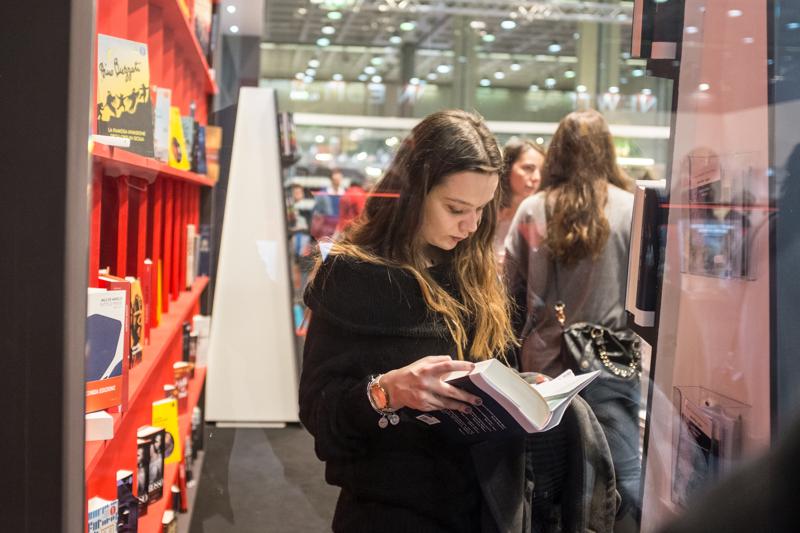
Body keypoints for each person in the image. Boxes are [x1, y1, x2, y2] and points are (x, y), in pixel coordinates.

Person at [300, 110, 618, 533]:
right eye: (455, 208)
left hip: (486, 506)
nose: (470, 226)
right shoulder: (352, 277)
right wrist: (386, 392)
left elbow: (487, 369)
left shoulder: (474, 272)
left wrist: (519, 388)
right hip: (389, 512)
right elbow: (320, 414)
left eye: (482, 210)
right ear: (413, 193)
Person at [504, 109, 640, 524]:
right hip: (612, 365)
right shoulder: (631, 209)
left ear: (557, 152)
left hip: (545, 368)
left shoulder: (532, 210)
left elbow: (510, 291)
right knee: (619, 474)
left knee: (546, 483)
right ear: (607, 151)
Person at [494, 139, 546, 262]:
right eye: (528, 168)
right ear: (507, 167)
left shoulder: (538, 215)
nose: (536, 178)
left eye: (541, 171)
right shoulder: (486, 208)